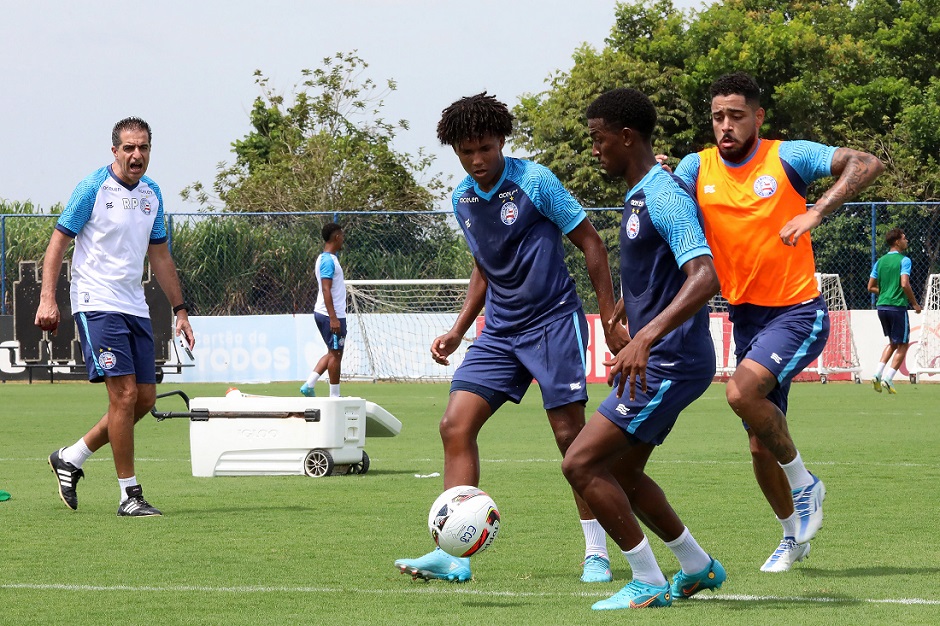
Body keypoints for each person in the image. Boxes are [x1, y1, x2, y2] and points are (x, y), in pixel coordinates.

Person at [394, 92, 627, 583]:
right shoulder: (461, 199)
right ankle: (454, 555)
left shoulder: (535, 182)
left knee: (570, 438)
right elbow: (485, 265)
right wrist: (459, 329)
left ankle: (596, 553)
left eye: (484, 148)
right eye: (466, 152)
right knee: (455, 426)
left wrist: (608, 318)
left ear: (501, 141)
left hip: (551, 323)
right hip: (499, 332)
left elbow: (592, 243)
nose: (477, 160)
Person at [672, 72, 885, 571]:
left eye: (737, 116)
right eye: (718, 117)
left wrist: (817, 211)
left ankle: (807, 484)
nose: (726, 126)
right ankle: (793, 536)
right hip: (744, 318)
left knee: (740, 394)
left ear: (758, 117)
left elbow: (866, 162)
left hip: (797, 311)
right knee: (758, 443)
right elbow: (667, 204)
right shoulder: (695, 166)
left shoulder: (787, 156)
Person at [560, 87, 725, 610]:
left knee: (581, 464)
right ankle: (698, 567)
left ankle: (649, 581)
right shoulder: (639, 194)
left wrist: (647, 338)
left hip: (672, 360)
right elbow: (662, 274)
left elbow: (704, 277)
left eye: (598, 138)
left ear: (625, 137)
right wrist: (627, 312)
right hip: (663, 358)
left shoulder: (664, 193)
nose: (594, 149)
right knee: (624, 472)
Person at [36, 117, 195, 517]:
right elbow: (57, 244)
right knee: (123, 396)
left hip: (134, 306)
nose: (136, 155)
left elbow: (159, 255)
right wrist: (47, 300)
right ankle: (129, 495)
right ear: (114, 151)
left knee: (143, 399)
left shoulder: (152, 193)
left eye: (143, 147)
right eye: (129, 148)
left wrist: (181, 310)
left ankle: (71, 457)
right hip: (96, 302)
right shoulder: (92, 187)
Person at [868, 228, 922, 394]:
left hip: (881, 307)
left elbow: (870, 287)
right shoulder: (904, 260)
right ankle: (888, 378)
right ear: (897, 241)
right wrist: (914, 303)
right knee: (904, 344)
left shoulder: (880, 261)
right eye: (904, 238)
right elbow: (905, 283)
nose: (906, 241)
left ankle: (877, 374)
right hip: (896, 307)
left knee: (893, 342)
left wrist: (885, 292)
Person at [301, 222, 347, 398]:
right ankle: (334, 396)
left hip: (328, 313)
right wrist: (334, 318)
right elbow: (326, 289)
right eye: (341, 236)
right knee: (336, 354)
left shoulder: (325, 258)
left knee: (333, 351)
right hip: (330, 314)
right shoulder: (327, 260)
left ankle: (309, 384)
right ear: (336, 237)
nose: (343, 239)